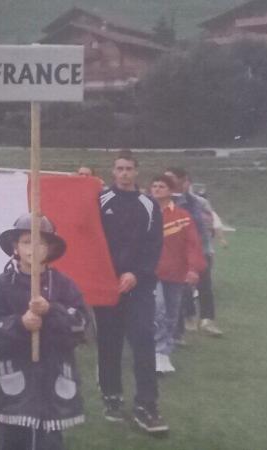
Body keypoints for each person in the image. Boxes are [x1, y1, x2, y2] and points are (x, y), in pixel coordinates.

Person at [0, 213, 87, 450]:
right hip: (14, 379)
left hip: (53, 376)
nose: (33, 249)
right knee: (13, 440)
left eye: (40, 242)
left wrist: (52, 311)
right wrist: (19, 324)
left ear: (50, 248)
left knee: (49, 442)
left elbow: (82, 325)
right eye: (26, 242)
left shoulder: (64, 285)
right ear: (15, 247)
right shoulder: (1, 286)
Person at [95, 150, 167, 434]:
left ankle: (146, 404)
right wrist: (110, 274)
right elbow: (91, 239)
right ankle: (112, 396)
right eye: (119, 168)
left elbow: (154, 246)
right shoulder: (100, 201)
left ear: (137, 172)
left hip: (139, 285)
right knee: (109, 341)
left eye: (129, 168)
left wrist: (136, 273)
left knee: (143, 338)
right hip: (107, 285)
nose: (124, 173)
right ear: (113, 172)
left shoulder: (149, 205)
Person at [150, 175, 206, 373]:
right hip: (151, 272)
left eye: (161, 186)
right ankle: (157, 350)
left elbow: (193, 244)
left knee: (173, 313)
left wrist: (193, 269)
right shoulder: (145, 213)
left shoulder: (182, 216)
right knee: (159, 309)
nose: (157, 189)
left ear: (171, 190)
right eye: (154, 186)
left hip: (175, 272)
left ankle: (165, 353)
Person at [164, 168, 224, 337]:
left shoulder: (199, 202)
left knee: (205, 286)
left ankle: (207, 320)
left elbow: (207, 225)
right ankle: (187, 317)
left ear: (184, 182)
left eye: (171, 179)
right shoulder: (165, 202)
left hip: (201, 249)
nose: (167, 182)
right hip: (177, 253)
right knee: (183, 288)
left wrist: (208, 249)